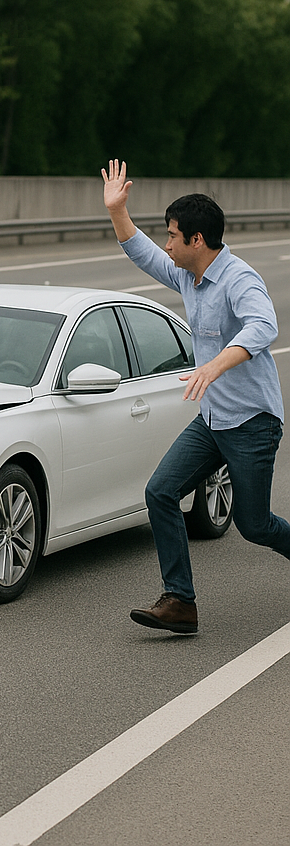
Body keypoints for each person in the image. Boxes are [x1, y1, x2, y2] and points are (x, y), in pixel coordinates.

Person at [102, 159, 290, 634]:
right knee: (160, 492)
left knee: (255, 525)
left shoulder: (238, 278)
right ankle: (180, 603)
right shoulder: (189, 274)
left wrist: (215, 363)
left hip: (252, 423)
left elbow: (265, 325)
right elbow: (144, 254)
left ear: (196, 241)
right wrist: (117, 211)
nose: (168, 244)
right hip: (212, 421)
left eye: (172, 235)